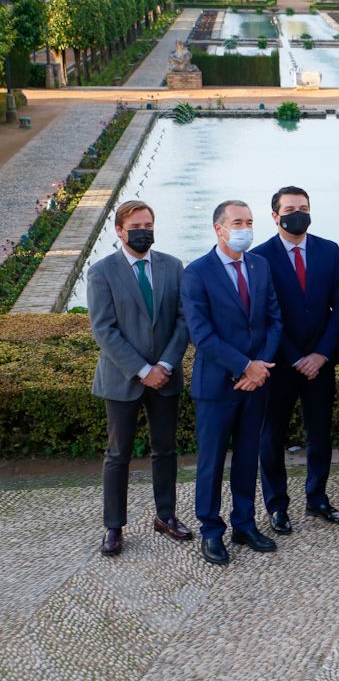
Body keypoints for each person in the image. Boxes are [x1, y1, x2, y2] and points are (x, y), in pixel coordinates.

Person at [87, 200, 192, 557]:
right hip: (122, 380)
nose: (144, 231)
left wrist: (164, 364)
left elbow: (183, 321)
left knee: (165, 449)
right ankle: (114, 527)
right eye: (136, 225)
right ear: (119, 229)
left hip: (166, 376)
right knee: (118, 454)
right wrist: (143, 370)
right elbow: (104, 329)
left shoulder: (173, 266)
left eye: (149, 224)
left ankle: (166, 516)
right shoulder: (101, 272)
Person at [181, 200, 282, 565]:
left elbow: (274, 320)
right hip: (217, 386)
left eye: (250, 222)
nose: (245, 228)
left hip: (257, 382)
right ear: (218, 228)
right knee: (211, 463)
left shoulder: (260, 265)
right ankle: (211, 530)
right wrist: (244, 367)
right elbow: (201, 334)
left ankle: (244, 523)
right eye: (237, 222)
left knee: (246, 458)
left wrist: (260, 367)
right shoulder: (196, 273)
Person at [251, 187, 339, 536]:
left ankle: (317, 498)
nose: (298, 213)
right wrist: (295, 357)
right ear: (275, 216)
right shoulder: (259, 257)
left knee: (320, 433)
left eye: (303, 208)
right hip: (279, 364)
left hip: (319, 362)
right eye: (290, 209)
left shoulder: (329, 250)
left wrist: (321, 353)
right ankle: (277, 506)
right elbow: (264, 314)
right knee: (271, 437)